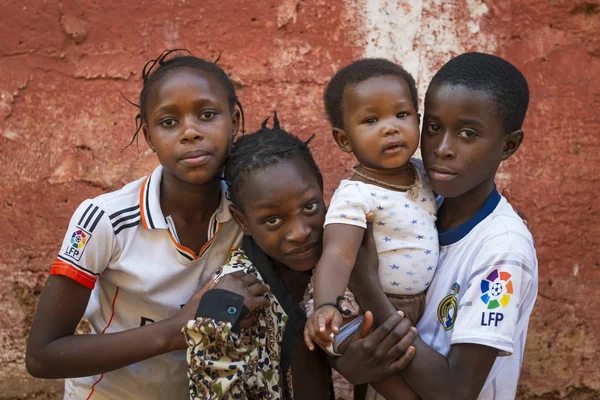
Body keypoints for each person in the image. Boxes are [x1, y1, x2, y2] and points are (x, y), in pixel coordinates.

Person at [25, 49, 259, 399]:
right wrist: (176, 330)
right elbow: (42, 356)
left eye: (207, 114)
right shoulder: (105, 219)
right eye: (169, 122)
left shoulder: (249, 215)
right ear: (149, 137)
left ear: (235, 121)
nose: (190, 132)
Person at [183, 115, 419, 399]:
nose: (299, 233)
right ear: (242, 221)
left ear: (322, 191)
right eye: (272, 220)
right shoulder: (234, 296)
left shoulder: (349, 256)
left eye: (309, 206)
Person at [349, 52, 538, 400]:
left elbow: (456, 391)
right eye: (434, 128)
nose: (442, 148)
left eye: (468, 133)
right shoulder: (412, 204)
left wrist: (364, 284)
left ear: (508, 145)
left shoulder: (503, 252)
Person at [304, 59, 439, 354]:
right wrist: (328, 305)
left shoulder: (425, 175)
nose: (390, 128)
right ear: (343, 139)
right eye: (370, 121)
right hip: (365, 308)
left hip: (420, 307)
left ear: (417, 120)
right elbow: (338, 254)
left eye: (401, 114)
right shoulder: (356, 195)